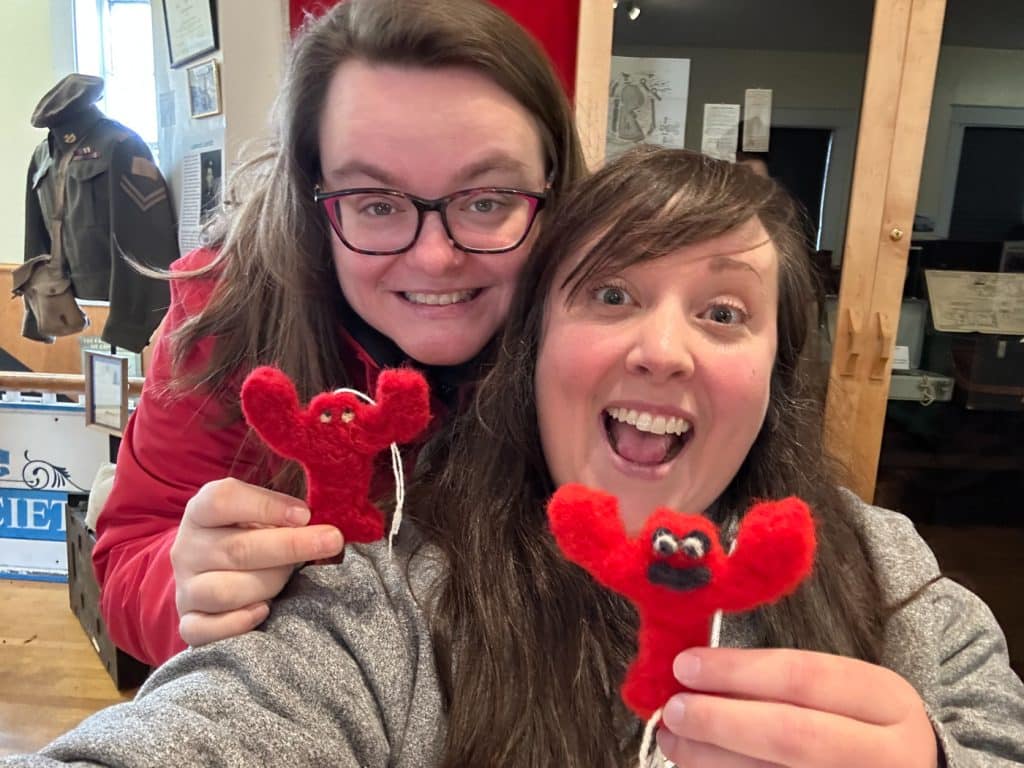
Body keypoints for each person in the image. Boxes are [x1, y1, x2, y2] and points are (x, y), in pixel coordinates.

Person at [6, 147, 1021, 767]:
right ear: (530, 353)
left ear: (773, 373)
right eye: (612, 295)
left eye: (722, 312)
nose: (661, 349)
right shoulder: (396, 597)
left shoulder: (897, 587)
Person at [91, 0, 585, 668]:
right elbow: (132, 553)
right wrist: (183, 593)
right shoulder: (224, 314)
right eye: (376, 204)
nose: (436, 258)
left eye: (488, 199)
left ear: (554, 191)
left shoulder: (612, 323)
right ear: (312, 194)